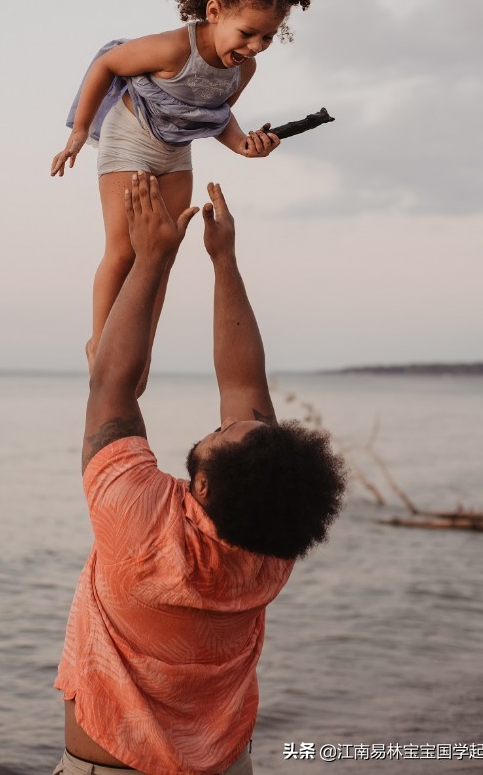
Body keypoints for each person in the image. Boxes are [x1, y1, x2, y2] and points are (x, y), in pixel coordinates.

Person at [53, 175, 346, 775]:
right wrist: (223, 261)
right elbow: (243, 385)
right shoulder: (271, 545)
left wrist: (153, 259)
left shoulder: (137, 521)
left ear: (204, 487)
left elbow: (110, 381)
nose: (224, 424)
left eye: (223, 434)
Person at [50, 0, 318, 389]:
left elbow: (216, 116)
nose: (255, 46)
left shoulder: (242, 70)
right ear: (214, 13)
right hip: (130, 137)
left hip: (176, 150)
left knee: (162, 251)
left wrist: (245, 146)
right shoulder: (176, 47)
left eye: (268, 37)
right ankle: (100, 342)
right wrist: (79, 130)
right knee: (124, 246)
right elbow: (108, 64)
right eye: (247, 32)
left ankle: (139, 348)